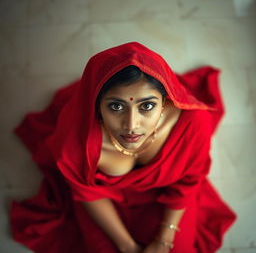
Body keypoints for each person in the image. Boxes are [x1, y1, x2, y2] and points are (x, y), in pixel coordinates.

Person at [11, 42, 236, 253]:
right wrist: (127, 247)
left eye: (147, 106)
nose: (131, 125)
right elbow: (88, 193)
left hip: (169, 199)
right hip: (102, 203)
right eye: (116, 106)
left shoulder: (192, 122)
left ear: (165, 101)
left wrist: (164, 239)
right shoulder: (76, 137)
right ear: (96, 105)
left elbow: (189, 181)